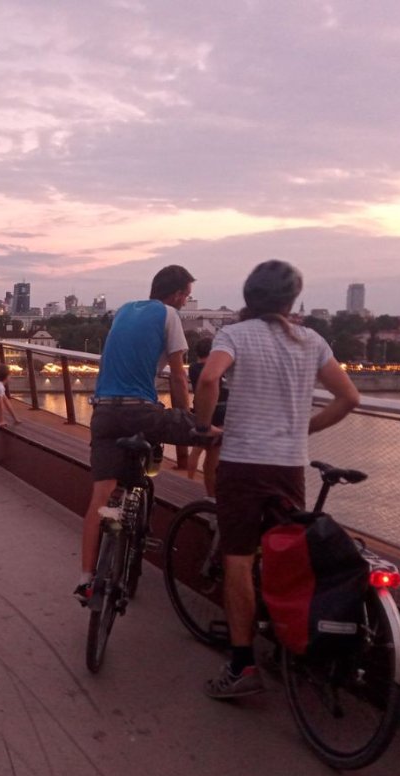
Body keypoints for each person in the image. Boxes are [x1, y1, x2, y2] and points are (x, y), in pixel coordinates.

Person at [193, 260, 360, 699]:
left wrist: (203, 425)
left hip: (244, 463)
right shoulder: (312, 340)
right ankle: (287, 644)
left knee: (239, 559)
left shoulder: (235, 335)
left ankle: (243, 666)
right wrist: (307, 427)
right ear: (291, 300)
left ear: (250, 297)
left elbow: (210, 377)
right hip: (288, 465)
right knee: (284, 554)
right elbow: (349, 397)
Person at [76, 265, 203, 605]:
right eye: (187, 297)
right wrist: (185, 421)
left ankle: (86, 580)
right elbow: (178, 377)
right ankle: (137, 514)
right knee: (209, 433)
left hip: (102, 410)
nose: (186, 302)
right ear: (177, 295)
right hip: (139, 410)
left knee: (99, 498)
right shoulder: (170, 316)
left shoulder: (124, 311)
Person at [186, 336, 227, 497]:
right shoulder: (218, 370)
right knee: (214, 454)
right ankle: (211, 494)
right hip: (221, 412)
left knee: (197, 449)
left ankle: (189, 479)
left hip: (202, 411)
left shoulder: (193, 368)